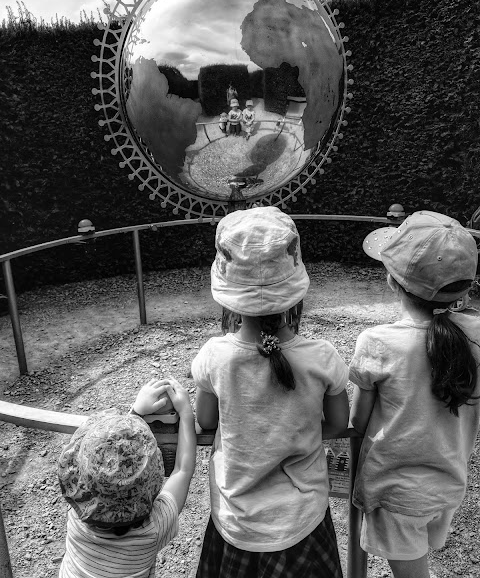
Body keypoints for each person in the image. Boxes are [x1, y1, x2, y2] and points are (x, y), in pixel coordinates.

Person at [191, 206, 350, 578]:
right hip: (302, 520)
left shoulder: (215, 357)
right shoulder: (322, 357)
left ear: (228, 296)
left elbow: (206, 421)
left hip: (237, 521)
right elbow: (339, 423)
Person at [349, 210, 480, 578]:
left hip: (396, 492)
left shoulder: (378, 342)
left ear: (392, 281)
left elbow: (358, 421)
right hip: (448, 483)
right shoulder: (476, 336)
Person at [57, 378, 196, 578]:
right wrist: (186, 414)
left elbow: (107, 470)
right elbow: (183, 469)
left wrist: (135, 411)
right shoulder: (152, 530)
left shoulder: (77, 516)